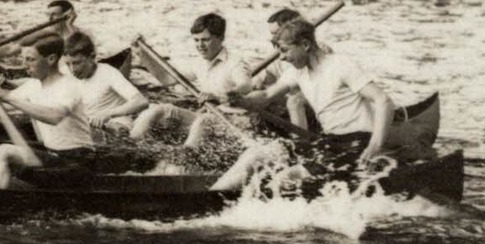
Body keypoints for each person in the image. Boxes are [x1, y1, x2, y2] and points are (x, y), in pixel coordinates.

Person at [210, 18, 396, 192]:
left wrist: (375, 145)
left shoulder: (340, 65)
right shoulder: (297, 72)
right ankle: (213, 195)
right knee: (257, 153)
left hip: (357, 144)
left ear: (305, 45)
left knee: (283, 180)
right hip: (329, 142)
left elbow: (383, 101)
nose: (281, 58)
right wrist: (240, 100)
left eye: (284, 50)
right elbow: (266, 95)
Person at [130, 12, 276, 149]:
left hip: (236, 122)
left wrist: (219, 97)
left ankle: (184, 161)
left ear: (220, 38)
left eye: (205, 40)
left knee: (203, 121)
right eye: (196, 40)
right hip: (210, 118)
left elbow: (246, 86)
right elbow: (166, 79)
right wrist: (142, 55)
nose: (200, 45)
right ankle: (131, 147)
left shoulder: (235, 63)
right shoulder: (198, 63)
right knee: (160, 109)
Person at [0, 36, 96, 189]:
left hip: (77, 163)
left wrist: (6, 96)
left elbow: (54, 117)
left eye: (30, 59)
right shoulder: (32, 85)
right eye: (23, 59)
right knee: (3, 154)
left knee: (4, 152)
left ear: (50, 59)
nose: (25, 65)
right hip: (52, 157)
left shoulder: (70, 86)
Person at [63, 31, 148, 135]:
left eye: (77, 63)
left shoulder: (108, 73)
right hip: (87, 127)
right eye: (68, 64)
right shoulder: (67, 75)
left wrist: (107, 114)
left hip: (115, 129)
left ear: (92, 57)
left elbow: (141, 101)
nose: (72, 70)